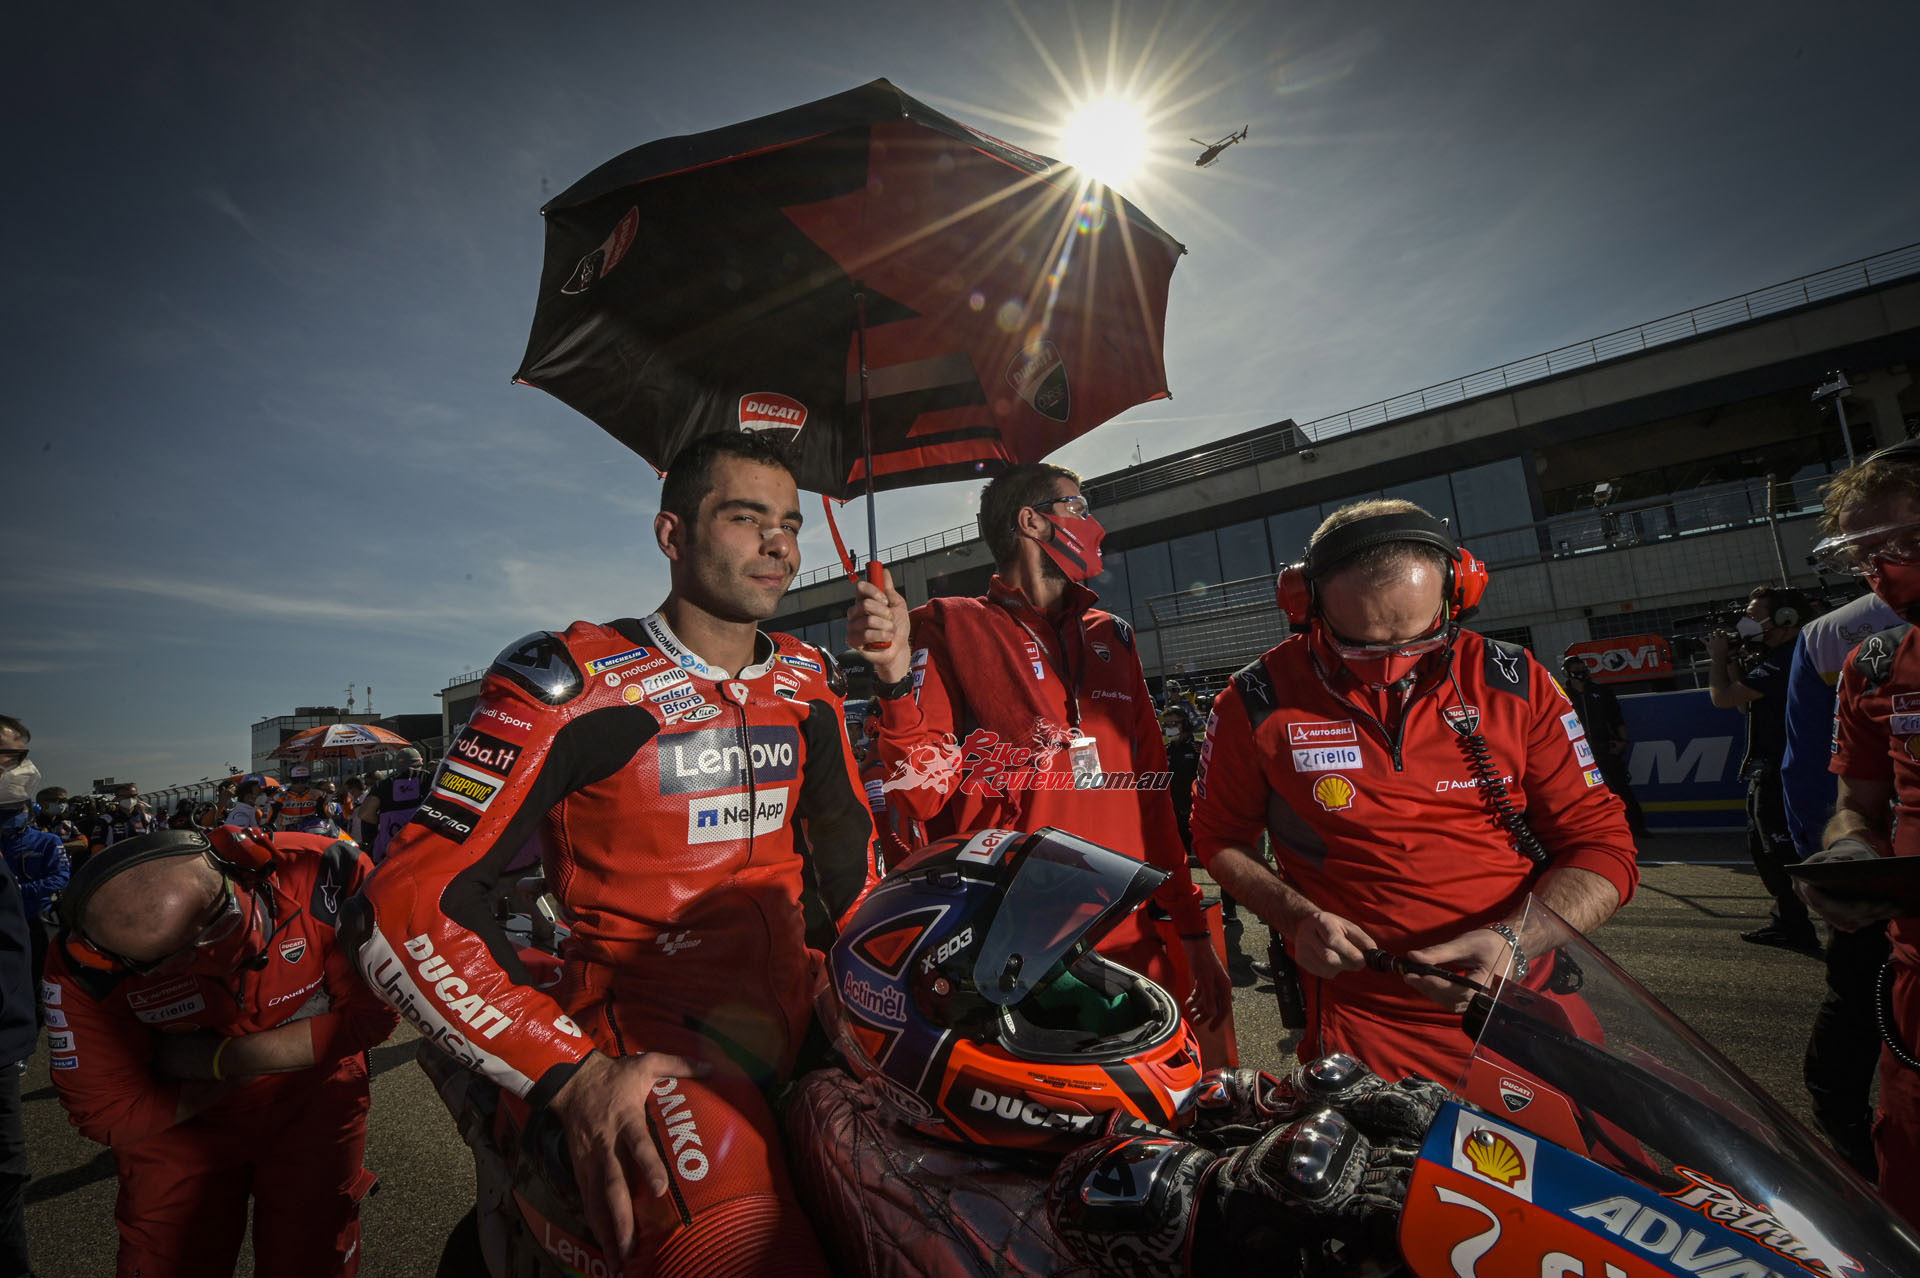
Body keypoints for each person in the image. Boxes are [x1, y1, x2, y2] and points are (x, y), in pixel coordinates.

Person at [352, 433, 879, 1275]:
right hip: (653, 1040)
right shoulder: (570, 682)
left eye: (789, 524)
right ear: (672, 534)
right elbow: (405, 903)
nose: (778, 544)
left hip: (812, 1017)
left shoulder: (809, 680)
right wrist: (571, 1074)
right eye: (746, 518)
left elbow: (851, 868)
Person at [1187, 500, 1639, 1083]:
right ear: (1308, 605)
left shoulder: (1518, 682)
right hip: (1363, 1018)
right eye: (1360, 644)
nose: (1389, 668)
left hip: (1522, 995)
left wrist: (1515, 940)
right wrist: (1296, 917)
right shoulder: (1254, 700)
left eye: (1416, 640)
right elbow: (1219, 838)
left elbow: (1603, 846)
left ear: (1457, 594)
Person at [848, 463, 1233, 1048]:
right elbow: (919, 793)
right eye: (1080, 507)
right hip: (1015, 958)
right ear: (1032, 522)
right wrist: (895, 676)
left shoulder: (1113, 636)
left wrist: (1191, 929)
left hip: (1130, 940)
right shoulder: (950, 626)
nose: (1095, 524)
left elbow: (1152, 800)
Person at [44, 826, 397, 1276]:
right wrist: (281, 1047)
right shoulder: (82, 969)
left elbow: (373, 1019)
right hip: (180, 1130)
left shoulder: (324, 873)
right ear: (115, 959)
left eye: (222, 922)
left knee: (313, 1253)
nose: (219, 956)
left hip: (310, 1104)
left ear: (242, 867)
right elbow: (107, 1114)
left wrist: (209, 1060)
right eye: (175, 959)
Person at [1798, 438, 1920, 1225]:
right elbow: (1858, 806)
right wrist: (1848, 851)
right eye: (1864, 554)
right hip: (1913, 989)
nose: (1882, 571)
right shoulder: (1872, 665)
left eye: (1903, 544)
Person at [1781, 587, 1899, 1178]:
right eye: (1869, 552)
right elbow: (1839, 791)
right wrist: (1840, 855)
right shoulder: (1858, 648)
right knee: (1854, 1011)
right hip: (1890, 888)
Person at [1708, 585, 1817, 953]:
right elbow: (1745, 706)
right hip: (1772, 767)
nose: (1746, 623)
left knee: (1780, 852)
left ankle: (1800, 926)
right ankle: (1788, 920)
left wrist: (1717, 658)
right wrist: (1732, 661)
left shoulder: (1788, 656)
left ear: (1785, 617)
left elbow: (1724, 698)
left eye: (1754, 616)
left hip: (1782, 769)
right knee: (1765, 849)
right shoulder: (1777, 656)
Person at [1558, 655, 1647, 836]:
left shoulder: (1602, 691)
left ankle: (1636, 827)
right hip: (1578, 751)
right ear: (1567, 673)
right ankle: (1589, 831)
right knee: (1579, 792)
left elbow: (1616, 718)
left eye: (1581, 667)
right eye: (1575, 668)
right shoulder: (1562, 695)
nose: (1580, 671)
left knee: (1620, 787)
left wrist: (1622, 741)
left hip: (1606, 746)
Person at [353, 747, 429, 861]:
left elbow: (364, 814)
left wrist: (384, 821)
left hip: (392, 849)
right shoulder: (430, 779)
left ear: (397, 765)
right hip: (423, 847)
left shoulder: (383, 785)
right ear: (420, 763)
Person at [88, 781, 155, 853]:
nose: (130, 799)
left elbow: (153, 841)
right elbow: (97, 846)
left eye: (133, 796)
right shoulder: (106, 820)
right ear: (117, 798)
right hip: (116, 858)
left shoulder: (146, 818)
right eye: (125, 797)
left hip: (139, 858)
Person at [34, 786, 87, 861]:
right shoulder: (32, 825)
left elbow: (83, 843)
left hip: (63, 866)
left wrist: (58, 846)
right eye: (60, 801)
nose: (63, 804)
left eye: (65, 801)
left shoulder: (67, 824)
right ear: (43, 803)